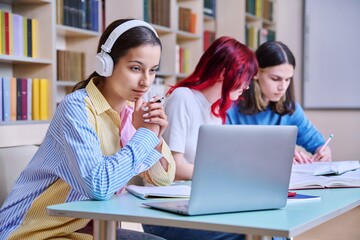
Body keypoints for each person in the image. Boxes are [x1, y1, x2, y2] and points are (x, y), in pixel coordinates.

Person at [0, 19, 175, 240]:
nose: (146, 81)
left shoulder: (133, 114)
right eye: (136, 68)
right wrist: (145, 135)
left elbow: (163, 179)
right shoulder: (75, 108)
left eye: (153, 71)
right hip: (36, 232)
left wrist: (155, 135)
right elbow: (99, 186)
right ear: (106, 64)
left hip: (86, 231)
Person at [142, 36, 258, 240]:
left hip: (199, 202)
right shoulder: (183, 98)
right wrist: (221, 174)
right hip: (164, 212)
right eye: (245, 78)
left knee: (265, 226)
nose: (247, 86)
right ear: (224, 73)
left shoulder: (216, 111)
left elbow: (212, 166)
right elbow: (174, 169)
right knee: (246, 232)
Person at [226, 41, 332, 164]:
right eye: (275, 79)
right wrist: (279, 158)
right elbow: (227, 154)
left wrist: (323, 151)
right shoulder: (231, 106)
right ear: (255, 73)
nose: (283, 87)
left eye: (288, 79)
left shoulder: (289, 108)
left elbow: (316, 142)